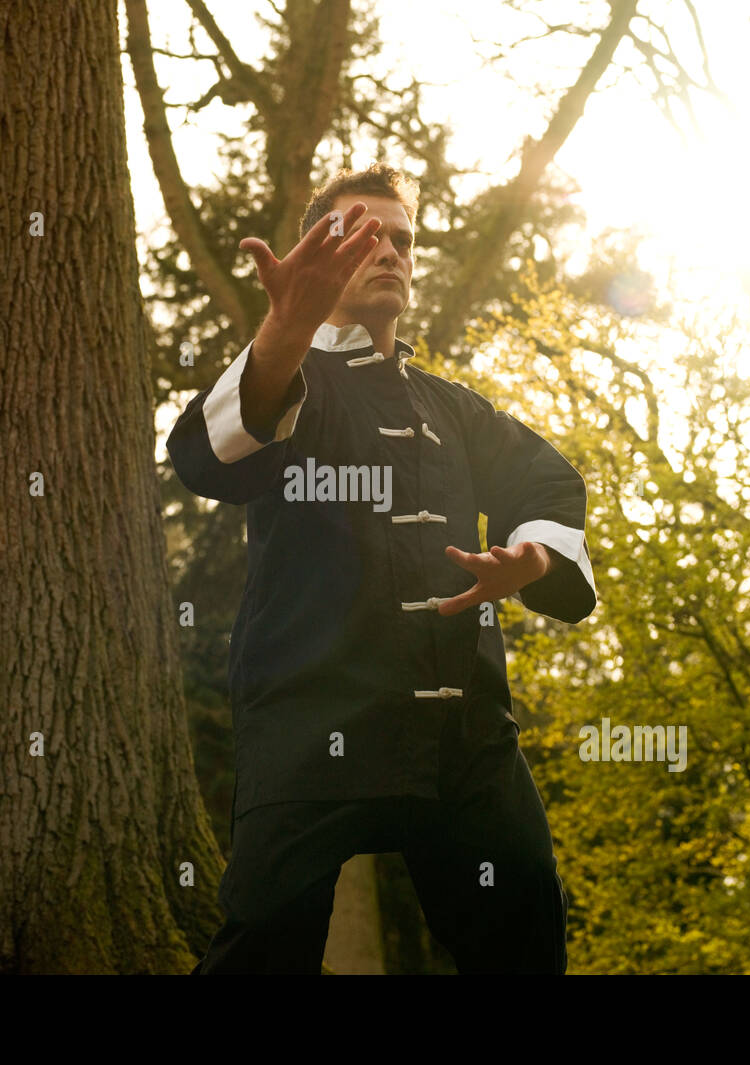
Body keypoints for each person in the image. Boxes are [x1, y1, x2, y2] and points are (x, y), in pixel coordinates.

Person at [166, 162, 597, 974]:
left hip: (464, 741)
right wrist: (284, 329)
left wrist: (531, 556)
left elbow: (546, 481)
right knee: (262, 950)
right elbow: (207, 455)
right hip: (306, 724)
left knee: (525, 942)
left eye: (402, 239)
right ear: (313, 255)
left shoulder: (452, 407)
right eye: (363, 236)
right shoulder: (287, 379)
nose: (390, 251)